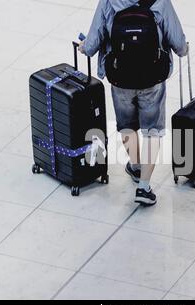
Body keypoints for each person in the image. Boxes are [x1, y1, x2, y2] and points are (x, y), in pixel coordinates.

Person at [79, 0, 188, 206]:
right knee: (153, 130)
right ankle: (144, 187)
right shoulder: (160, 2)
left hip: (120, 78)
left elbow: (92, 44)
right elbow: (179, 44)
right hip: (152, 78)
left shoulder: (109, 1)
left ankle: (136, 167)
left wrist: (84, 47)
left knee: (126, 125)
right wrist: (184, 49)